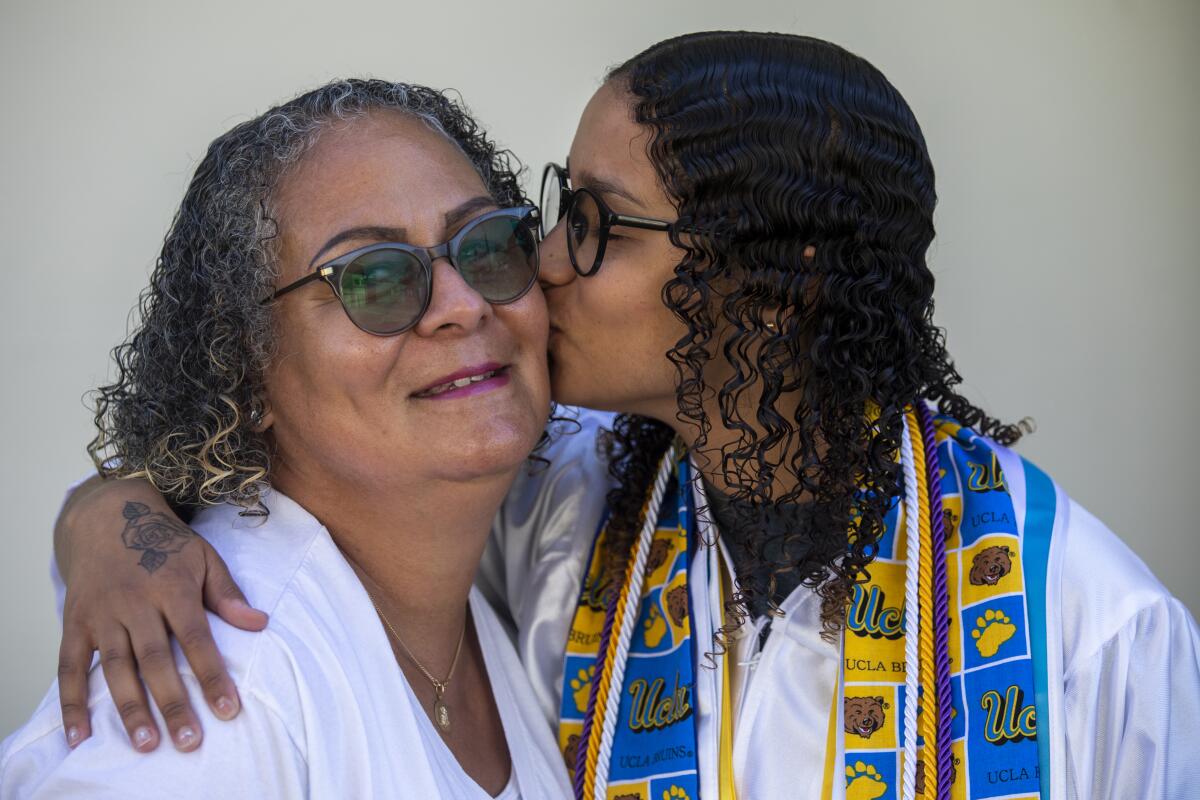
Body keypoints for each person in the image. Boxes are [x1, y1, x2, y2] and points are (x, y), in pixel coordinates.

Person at [32, 32, 1200, 800]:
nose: (535, 268)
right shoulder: (559, 501)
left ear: (777, 279)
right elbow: (302, 457)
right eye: (550, 213)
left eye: (595, 221)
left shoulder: (1089, 636)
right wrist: (115, 518)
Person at [0, 78, 573, 799]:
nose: (462, 305)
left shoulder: (504, 586)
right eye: (374, 280)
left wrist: (102, 508)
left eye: (487, 245)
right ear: (242, 368)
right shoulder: (216, 701)